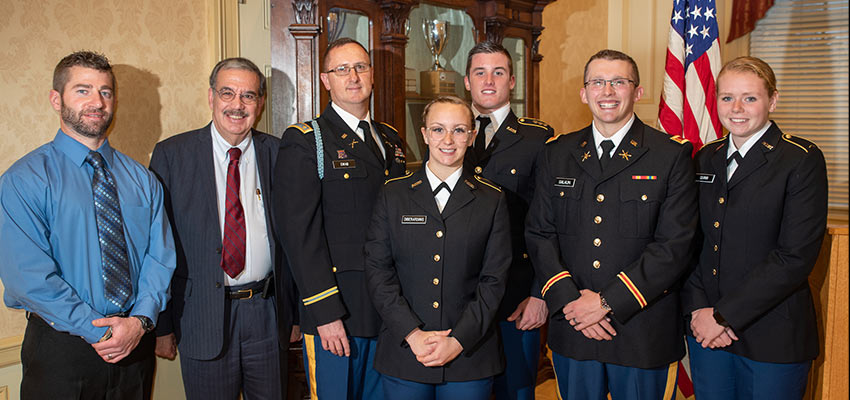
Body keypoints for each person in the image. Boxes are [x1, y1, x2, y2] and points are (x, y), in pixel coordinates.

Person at [0, 50, 176, 399]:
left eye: (106, 91)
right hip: (62, 350)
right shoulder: (24, 180)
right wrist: (100, 332)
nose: (97, 101)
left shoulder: (142, 179)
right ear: (56, 99)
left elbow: (160, 258)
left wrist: (139, 322)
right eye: (83, 90)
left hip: (134, 344)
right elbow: (29, 278)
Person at [524, 49, 698, 399]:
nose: (607, 91)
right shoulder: (557, 153)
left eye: (619, 82)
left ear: (638, 91)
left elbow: (675, 246)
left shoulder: (670, 154)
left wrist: (604, 303)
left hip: (640, 328)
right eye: (598, 82)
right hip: (573, 325)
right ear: (584, 93)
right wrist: (571, 302)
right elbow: (539, 233)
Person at [681, 56, 828, 400]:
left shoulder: (800, 159)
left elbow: (794, 256)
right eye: (727, 97)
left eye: (750, 98)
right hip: (708, 333)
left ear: (772, 100)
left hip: (772, 335)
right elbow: (689, 242)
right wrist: (700, 310)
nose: (737, 108)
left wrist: (724, 316)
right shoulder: (707, 157)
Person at [149, 57, 295, 399]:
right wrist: (162, 325)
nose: (237, 105)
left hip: (267, 314)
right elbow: (156, 245)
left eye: (248, 96)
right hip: (200, 316)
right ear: (211, 97)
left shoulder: (279, 154)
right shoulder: (172, 155)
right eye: (227, 93)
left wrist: (295, 314)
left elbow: (295, 242)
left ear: (259, 104)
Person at [274, 37, 407, 399]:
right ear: (325, 79)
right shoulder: (307, 140)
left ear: (372, 75)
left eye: (361, 67)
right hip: (339, 311)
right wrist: (324, 312)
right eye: (342, 69)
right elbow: (299, 235)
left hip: (390, 308)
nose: (353, 76)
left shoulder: (391, 140)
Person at [364, 95, 511, 400]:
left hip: (470, 356)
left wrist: (458, 340)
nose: (448, 139)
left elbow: (494, 280)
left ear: (472, 137)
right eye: (438, 129)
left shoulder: (492, 199)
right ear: (424, 134)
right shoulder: (394, 194)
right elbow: (378, 271)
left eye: (458, 130)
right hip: (406, 352)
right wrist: (412, 333)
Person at [462, 41, 553, 400]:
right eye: (479, 72)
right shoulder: (446, 131)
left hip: (517, 298)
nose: (488, 81)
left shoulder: (538, 139)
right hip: (460, 298)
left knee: (515, 391)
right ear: (467, 81)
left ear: (512, 81)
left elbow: (549, 223)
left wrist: (539, 294)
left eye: (498, 72)